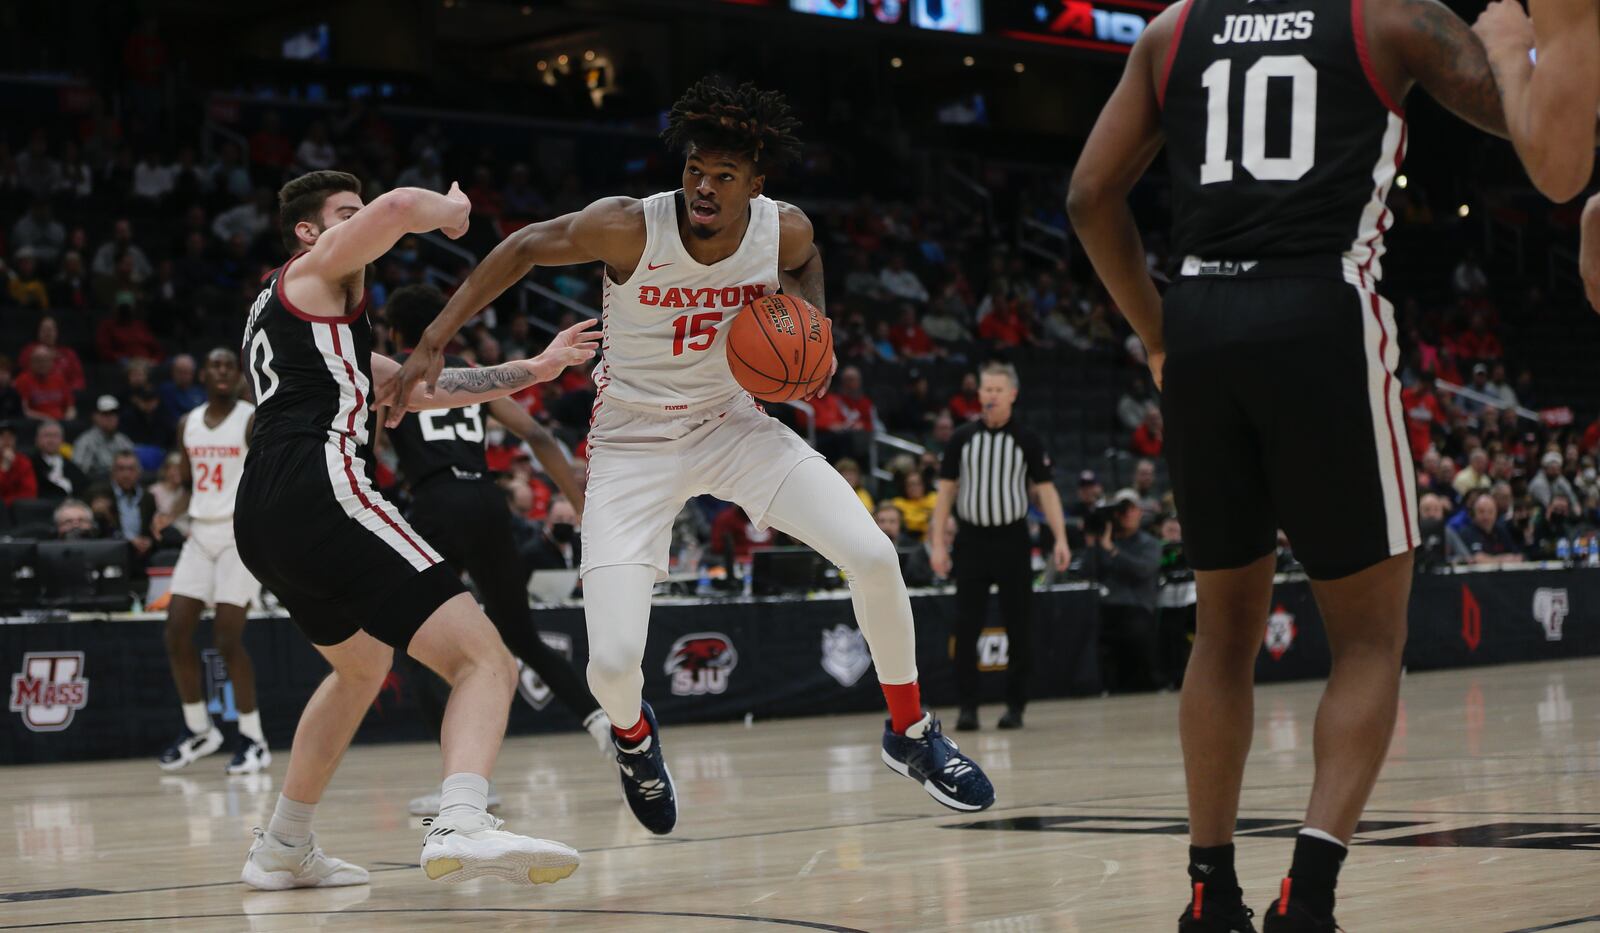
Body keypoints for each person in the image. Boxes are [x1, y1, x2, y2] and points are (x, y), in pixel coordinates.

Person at [386, 79, 995, 834]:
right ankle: (635, 741)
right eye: (696, 171)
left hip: (731, 423)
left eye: (725, 177)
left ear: (755, 185)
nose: (705, 187)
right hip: (632, 442)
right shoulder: (629, 228)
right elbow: (521, 248)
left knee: (872, 552)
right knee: (609, 664)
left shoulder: (786, 229)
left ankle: (910, 733)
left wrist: (816, 333)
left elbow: (808, 268)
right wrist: (433, 341)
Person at [1068, 0, 1514, 926]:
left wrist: (1158, 332)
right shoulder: (1390, 16)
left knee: (1223, 635)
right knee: (1368, 637)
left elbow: (1086, 198)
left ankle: (1209, 888)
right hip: (1320, 314)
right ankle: (1306, 896)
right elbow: (1523, 116)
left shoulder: (1170, 29)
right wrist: (1522, 42)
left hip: (1199, 323)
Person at [231, 170, 592, 890]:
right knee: (486, 659)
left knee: (361, 668)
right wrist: (453, 212)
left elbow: (424, 389)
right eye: (343, 214)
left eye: (356, 213)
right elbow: (400, 208)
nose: (359, 222)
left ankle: (282, 845)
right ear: (310, 232)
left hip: (265, 513)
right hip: (321, 489)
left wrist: (542, 365)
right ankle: (460, 819)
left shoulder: (302, 319)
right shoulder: (313, 271)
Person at [380, 283, 610, 816]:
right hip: (487, 502)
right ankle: (606, 729)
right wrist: (580, 502)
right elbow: (540, 435)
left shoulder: (390, 371)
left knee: (417, 642)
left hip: (435, 505)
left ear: (394, 333)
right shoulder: (469, 373)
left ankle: (462, 781)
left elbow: (367, 449)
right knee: (521, 635)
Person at [929, 361, 1071, 732]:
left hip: (1012, 539)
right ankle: (968, 707)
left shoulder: (1027, 438)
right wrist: (937, 545)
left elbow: (1047, 491)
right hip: (971, 540)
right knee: (967, 623)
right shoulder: (961, 438)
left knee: (1019, 623)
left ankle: (1015, 705)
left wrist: (1061, 537)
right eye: (985, 389)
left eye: (996, 390)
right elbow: (944, 496)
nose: (989, 396)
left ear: (1012, 395)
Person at [157, 349, 272, 775]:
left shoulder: (250, 418)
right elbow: (189, 485)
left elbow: (267, 475)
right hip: (199, 534)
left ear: (238, 375)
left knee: (226, 640)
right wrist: (170, 510)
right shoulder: (187, 424)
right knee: (175, 633)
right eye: (215, 365)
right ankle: (199, 730)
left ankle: (253, 738)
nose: (222, 371)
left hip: (237, 536)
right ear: (202, 374)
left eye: (229, 365)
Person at [1083, 492, 1164, 693]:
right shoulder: (1105, 542)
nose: (1126, 515)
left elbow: (1143, 570)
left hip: (1137, 607)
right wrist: (1092, 545)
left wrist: (1113, 551)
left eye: (1130, 509)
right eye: (1121, 511)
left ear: (1139, 512)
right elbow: (1087, 572)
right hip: (1108, 607)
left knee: (1134, 631)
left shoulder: (1149, 543)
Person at [74, 396, 136, 481]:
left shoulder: (123, 440)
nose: (111, 418)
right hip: (98, 489)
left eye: (114, 413)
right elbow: (78, 475)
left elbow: (136, 469)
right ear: (95, 416)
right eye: (106, 414)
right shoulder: (85, 442)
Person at [875, 502, 935, 587]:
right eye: (882, 521)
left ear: (900, 524)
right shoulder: (865, 548)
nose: (887, 526)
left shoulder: (913, 548)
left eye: (892, 521)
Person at [31, 421, 87, 501]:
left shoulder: (71, 465)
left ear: (62, 440)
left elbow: (84, 486)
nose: (51, 440)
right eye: (47, 435)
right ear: (37, 439)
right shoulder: (30, 464)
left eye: (56, 436)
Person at [0, 421, 38, 506]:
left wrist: (7, 503)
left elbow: (30, 493)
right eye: (2, 436)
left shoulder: (23, 461)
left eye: (10, 436)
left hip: (18, 510)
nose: (6, 440)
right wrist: (4, 468)